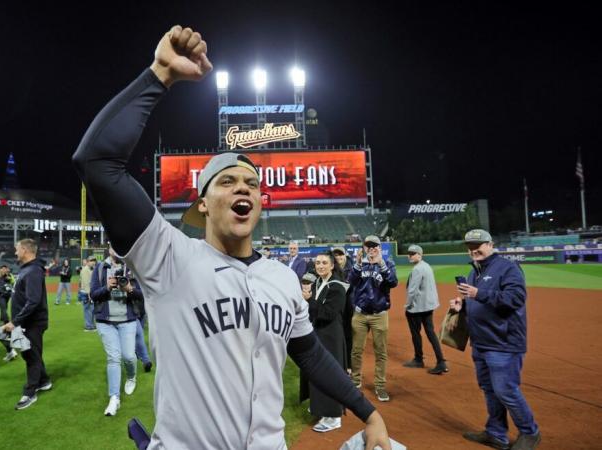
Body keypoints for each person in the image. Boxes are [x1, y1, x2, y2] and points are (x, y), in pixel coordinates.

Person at [72, 25, 390, 449]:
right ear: (202, 204)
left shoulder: (281, 278)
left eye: (251, 183)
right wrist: (161, 73)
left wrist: (369, 414)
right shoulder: (167, 257)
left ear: (261, 203)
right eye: (226, 182)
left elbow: (309, 353)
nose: (243, 188)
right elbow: (96, 161)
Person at [450, 229, 541, 450]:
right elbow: (477, 301)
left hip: (504, 343)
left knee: (505, 390)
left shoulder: (508, 268)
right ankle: (496, 434)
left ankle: (530, 432)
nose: (474, 250)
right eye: (470, 246)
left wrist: (477, 294)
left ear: (490, 244)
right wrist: (462, 307)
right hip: (481, 343)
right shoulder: (474, 272)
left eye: (478, 245)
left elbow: (515, 298)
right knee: (489, 389)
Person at [302, 251, 350, 433]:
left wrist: (309, 301)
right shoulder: (317, 284)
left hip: (331, 338)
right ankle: (322, 410)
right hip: (317, 336)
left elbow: (328, 313)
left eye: (324, 263)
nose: (320, 265)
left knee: (331, 376)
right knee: (318, 374)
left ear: (332, 265)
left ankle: (334, 417)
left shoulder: (338, 287)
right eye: (317, 263)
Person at [90, 250, 143, 416]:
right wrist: (107, 287)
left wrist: (129, 289)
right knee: (113, 357)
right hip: (105, 322)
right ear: (109, 247)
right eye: (114, 244)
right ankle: (114, 399)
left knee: (128, 356)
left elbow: (143, 294)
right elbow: (93, 294)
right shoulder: (100, 267)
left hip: (128, 320)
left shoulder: (133, 266)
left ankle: (131, 377)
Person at [2, 239, 51, 410]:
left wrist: (15, 321)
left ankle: (29, 393)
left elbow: (33, 301)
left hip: (32, 323)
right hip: (26, 322)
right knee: (32, 354)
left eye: (17, 249)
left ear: (24, 250)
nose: (15, 253)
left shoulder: (32, 271)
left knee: (31, 357)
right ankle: (44, 381)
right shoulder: (28, 270)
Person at [348, 235, 398, 402]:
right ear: (364, 248)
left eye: (374, 246)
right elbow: (351, 281)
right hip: (360, 313)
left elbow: (392, 282)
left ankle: (380, 386)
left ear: (379, 247)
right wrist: (357, 264)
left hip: (379, 314)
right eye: (368, 246)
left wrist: (381, 264)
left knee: (381, 352)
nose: (372, 249)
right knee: (356, 350)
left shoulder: (388, 263)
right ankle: (355, 381)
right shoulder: (360, 264)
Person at [403, 244, 448, 375]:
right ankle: (441, 361)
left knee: (416, 333)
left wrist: (408, 305)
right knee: (431, 333)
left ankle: (418, 359)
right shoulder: (427, 266)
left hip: (417, 308)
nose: (410, 256)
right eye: (409, 253)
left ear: (420, 254)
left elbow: (412, 291)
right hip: (428, 306)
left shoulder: (417, 269)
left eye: (413, 253)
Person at [0, 265, 18, 362]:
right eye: (4, 269)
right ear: (0, 269)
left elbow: (12, 287)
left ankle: (11, 349)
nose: (6, 270)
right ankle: (12, 346)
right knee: (0, 328)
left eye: (7, 269)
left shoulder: (6, 278)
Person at [78, 256, 97, 331]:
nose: (94, 262)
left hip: (89, 292)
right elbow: (86, 283)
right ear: (88, 261)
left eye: (94, 261)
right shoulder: (85, 270)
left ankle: (91, 325)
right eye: (92, 261)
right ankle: (88, 326)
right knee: (88, 310)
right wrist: (89, 295)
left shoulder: (90, 269)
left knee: (91, 309)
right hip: (86, 293)